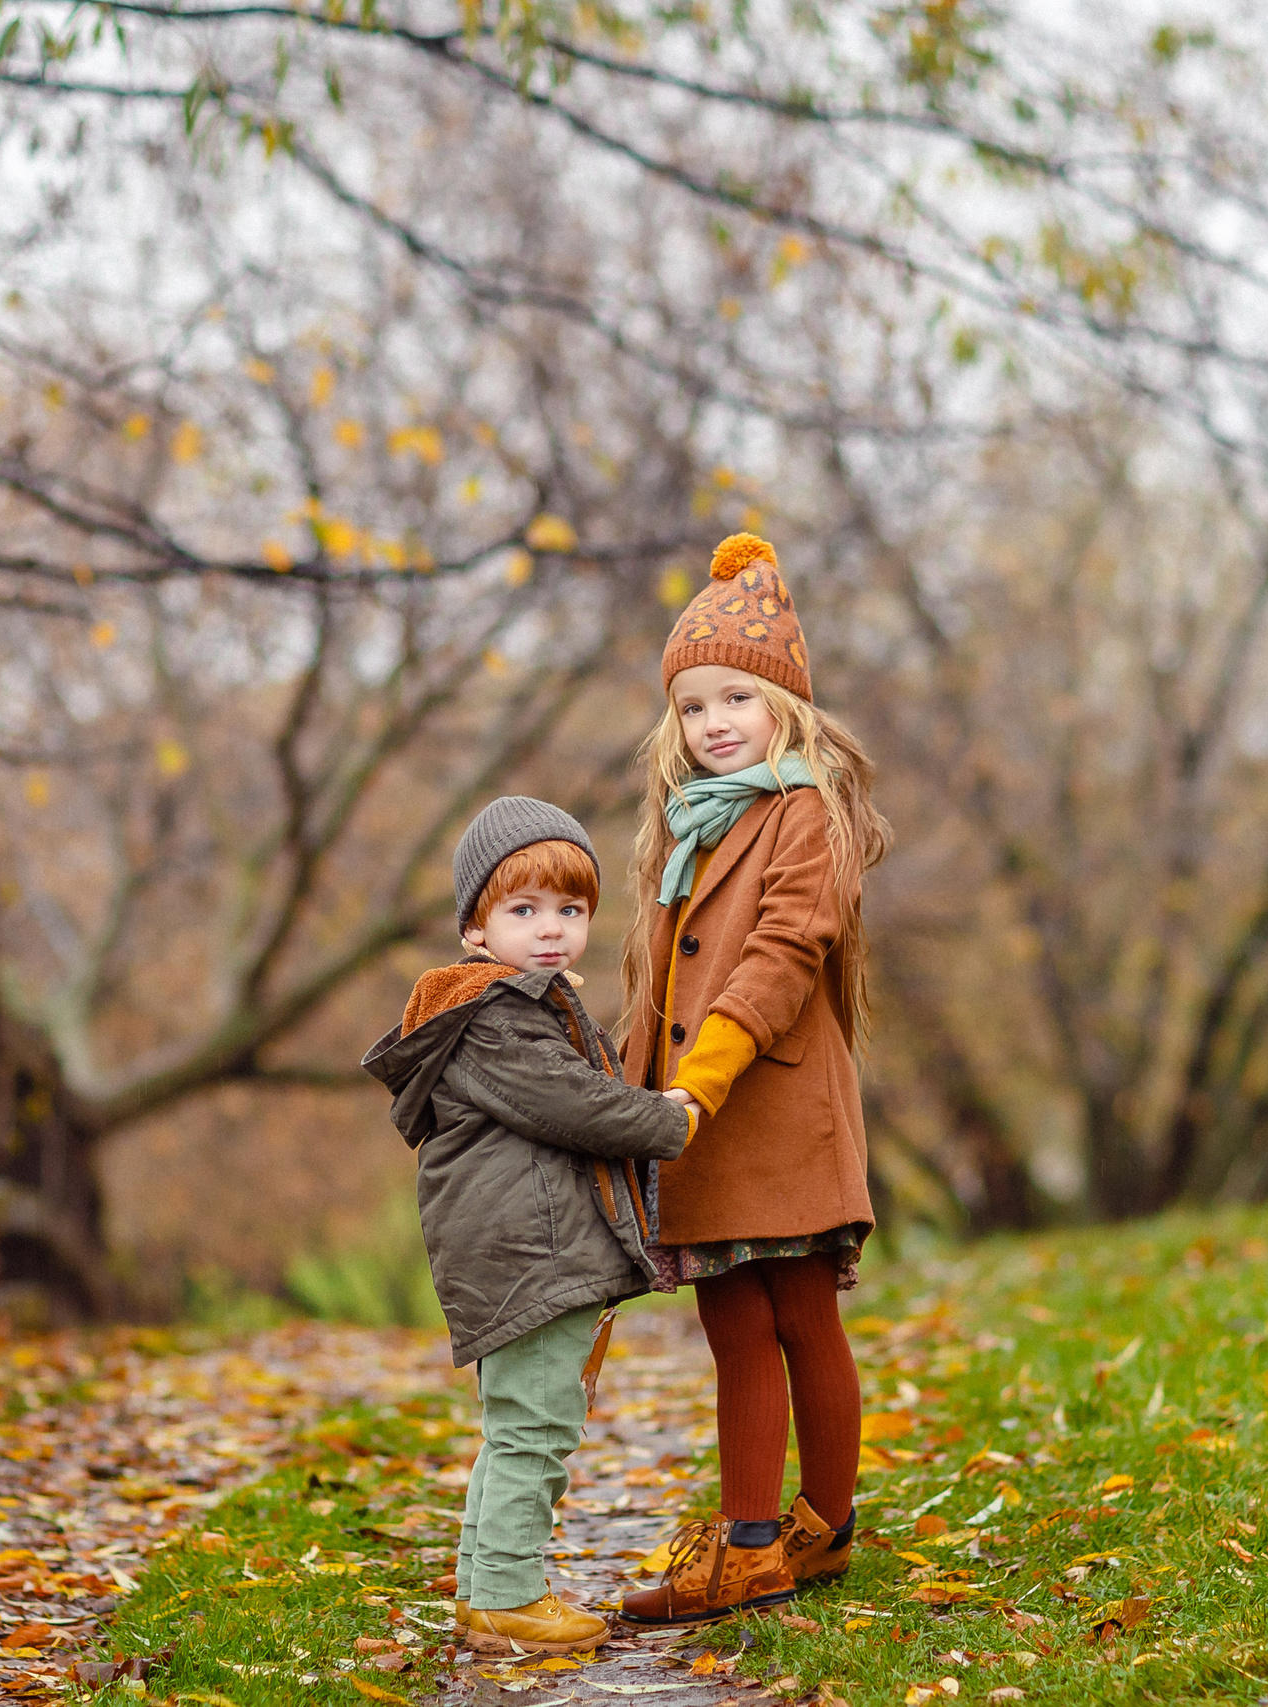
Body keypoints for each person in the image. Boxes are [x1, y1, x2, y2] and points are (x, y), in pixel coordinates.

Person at [614, 533, 893, 1628]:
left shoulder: (804, 812)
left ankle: (803, 1530)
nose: (714, 722)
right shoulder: (688, 831)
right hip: (697, 1123)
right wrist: (628, 1098)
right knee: (735, 1325)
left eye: (737, 697)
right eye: (692, 707)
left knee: (802, 1316)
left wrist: (701, 1080)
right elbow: (661, 988)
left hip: (764, 1108)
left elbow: (781, 955)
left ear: (787, 706)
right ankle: (760, 1537)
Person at [361, 798, 693, 1655]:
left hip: (517, 1255)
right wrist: (673, 1117)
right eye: (524, 909)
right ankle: (510, 1596)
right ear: (475, 928)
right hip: (530, 1260)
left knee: (515, 1426)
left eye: (570, 909)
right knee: (537, 1430)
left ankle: (484, 1592)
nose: (552, 928)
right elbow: (576, 1103)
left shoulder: (511, 1006)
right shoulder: (496, 1018)